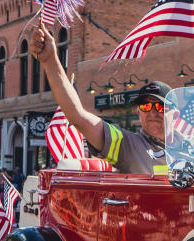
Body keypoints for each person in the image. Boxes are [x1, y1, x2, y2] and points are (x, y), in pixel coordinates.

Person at [30, 22, 171, 174]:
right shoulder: (128, 145)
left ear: (174, 112)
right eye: (146, 106)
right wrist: (50, 61)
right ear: (139, 112)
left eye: (160, 106)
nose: (152, 112)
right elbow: (78, 117)